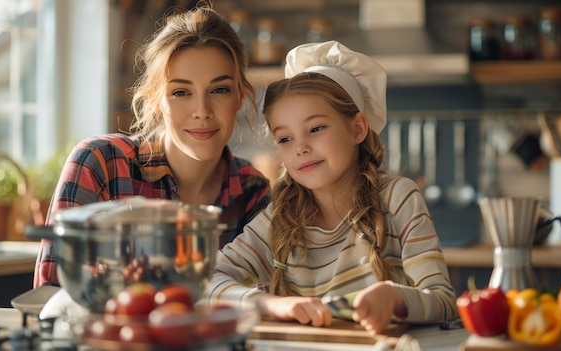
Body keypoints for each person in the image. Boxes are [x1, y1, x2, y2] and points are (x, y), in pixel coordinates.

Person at [203, 41, 458, 334]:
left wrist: (395, 298)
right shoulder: (278, 220)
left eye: (315, 129)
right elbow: (207, 281)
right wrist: (269, 304)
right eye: (285, 139)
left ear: (357, 128)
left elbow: (444, 301)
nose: (300, 148)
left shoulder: (397, 198)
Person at [33, 5, 271, 288]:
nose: (202, 111)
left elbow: (253, 299)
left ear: (240, 96)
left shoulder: (252, 190)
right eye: (181, 92)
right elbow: (51, 295)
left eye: (219, 90)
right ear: (156, 99)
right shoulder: (100, 164)